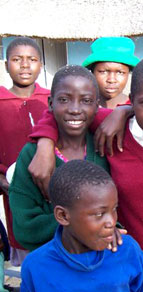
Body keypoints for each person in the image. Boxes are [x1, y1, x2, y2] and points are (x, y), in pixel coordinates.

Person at [28, 56, 143, 291]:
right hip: (115, 264)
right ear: (132, 101)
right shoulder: (110, 129)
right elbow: (64, 111)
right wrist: (45, 144)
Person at [9, 65, 128, 253]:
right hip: (53, 264)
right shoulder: (32, 155)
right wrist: (88, 226)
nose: (74, 109)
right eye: (64, 100)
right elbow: (25, 228)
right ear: (50, 103)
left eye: (86, 100)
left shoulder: (106, 146)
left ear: (97, 105)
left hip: (102, 260)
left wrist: (124, 110)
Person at [20, 159, 143, 292]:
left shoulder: (127, 251)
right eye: (98, 214)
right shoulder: (36, 266)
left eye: (114, 209)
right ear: (63, 216)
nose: (111, 222)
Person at [0, 36, 50, 266]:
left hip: (52, 190)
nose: (24, 65)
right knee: (30, 260)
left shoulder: (53, 99)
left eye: (32, 59)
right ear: (6, 64)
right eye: (16, 59)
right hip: (14, 192)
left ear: (41, 65)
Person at [82, 37, 140, 109]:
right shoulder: (82, 108)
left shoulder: (137, 109)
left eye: (120, 72)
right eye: (103, 72)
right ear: (92, 72)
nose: (111, 80)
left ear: (128, 73)